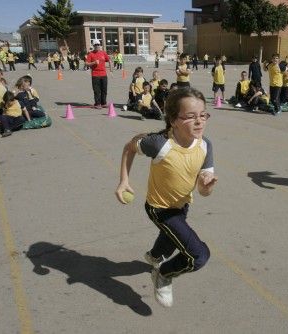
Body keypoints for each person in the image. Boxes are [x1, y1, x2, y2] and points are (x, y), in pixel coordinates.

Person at [115, 87, 217, 308]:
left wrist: (205, 186)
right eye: (190, 116)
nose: (199, 121)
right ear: (173, 120)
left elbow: (204, 190)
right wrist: (124, 180)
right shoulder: (159, 144)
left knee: (170, 240)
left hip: (182, 206)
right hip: (160, 209)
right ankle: (163, 274)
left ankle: (154, 257)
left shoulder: (205, 145)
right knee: (198, 256)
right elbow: (129, 147)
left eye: (203, 115)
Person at [85, 39, 112, 109]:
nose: (97, 46)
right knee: (97, 90)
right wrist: (93, 63)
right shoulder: (91, 54)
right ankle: (97, 103)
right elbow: (86, 64)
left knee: (104, 90)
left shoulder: (103, 53)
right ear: (93, 46)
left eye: (98, 45)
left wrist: (111, 70)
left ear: (100, 45)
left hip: (104, 74)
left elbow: (109, 60)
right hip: (95, 75)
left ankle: (103, 103)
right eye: (95, 45)